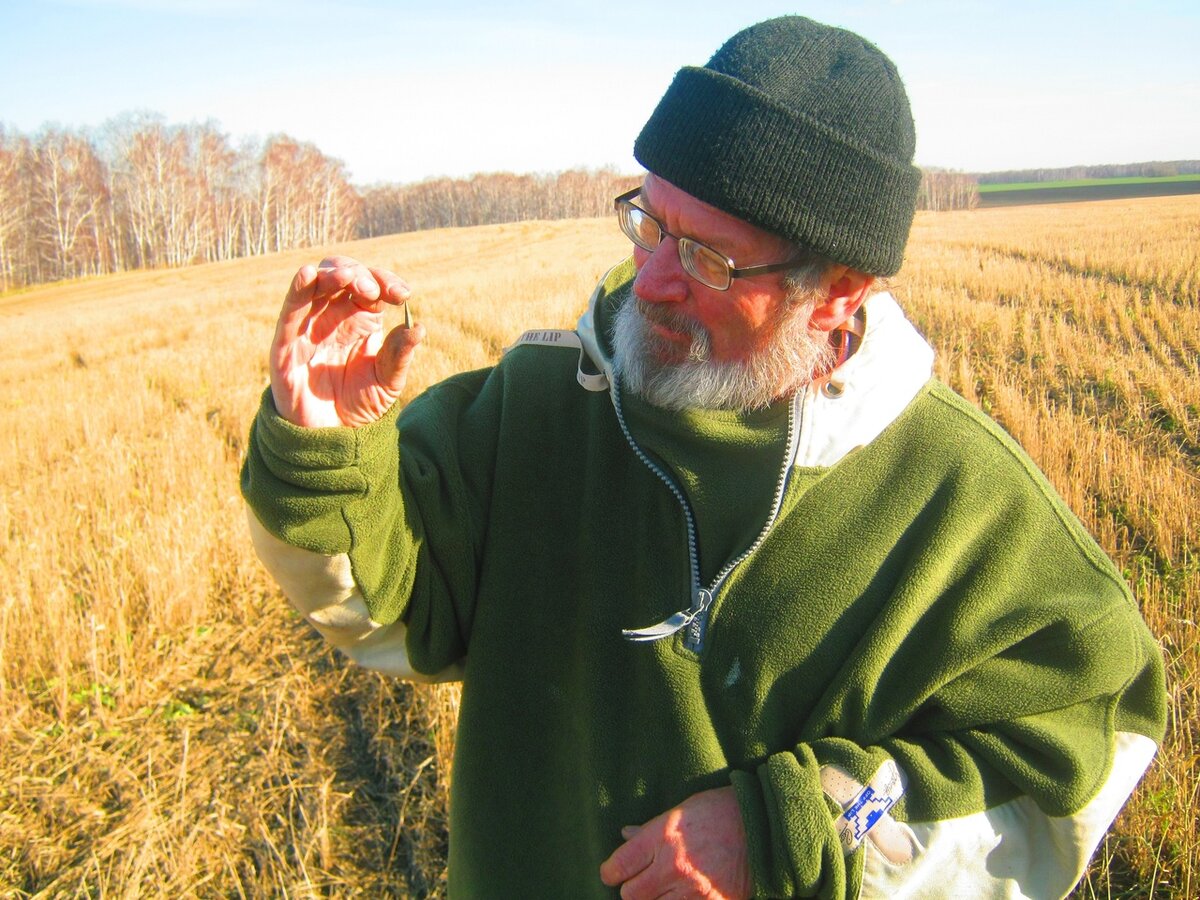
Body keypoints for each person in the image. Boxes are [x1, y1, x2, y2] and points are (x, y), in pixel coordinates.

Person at [241, 15, 1166, 899]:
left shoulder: (961, 500)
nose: (650, 281)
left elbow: (1073, 774)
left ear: (839, 293)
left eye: (709, 260)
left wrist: (791, 832)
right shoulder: (536, 406)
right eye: (650, 223)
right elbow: (388, 613)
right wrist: (324, 448)